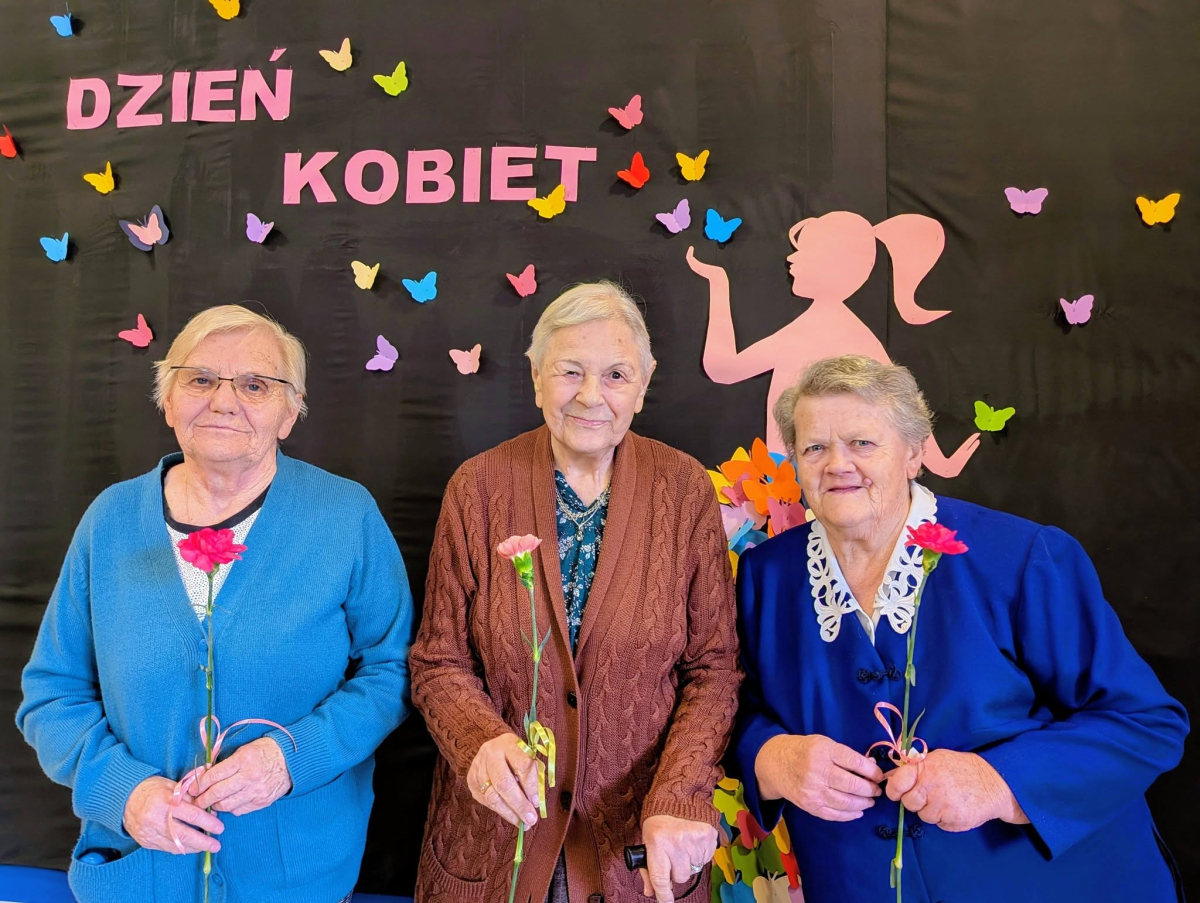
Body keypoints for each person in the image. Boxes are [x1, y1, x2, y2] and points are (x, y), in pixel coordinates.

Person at [730, 354, 1187, 902]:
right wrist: (772, 758)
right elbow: (734, 709)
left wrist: (999, 782)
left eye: (862, 443)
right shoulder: (764, 576)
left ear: (914, 453)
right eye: (814, 448)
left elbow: (1144, 722)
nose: (837, 465)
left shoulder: (1022, 556)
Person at [18, 305, 414, 903]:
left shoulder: (345, 516)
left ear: (291, 412)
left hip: (295, 877)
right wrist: (125, 793)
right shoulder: (111, 521)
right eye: (200, 379)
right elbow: (53, 694)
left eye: (255, 385)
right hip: (140, 875)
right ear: (168, 400)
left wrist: (290, 760)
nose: (224, 401)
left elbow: (394, 670)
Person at [410, 281, 742, 903]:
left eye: (616, 374)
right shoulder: (478, 488)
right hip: (494, 846)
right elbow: (438, 660)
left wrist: (680, 792)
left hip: (636, 853)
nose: (591, 395)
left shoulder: (684, 490)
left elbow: (714, 669)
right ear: (537, 377)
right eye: (569, 371)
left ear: (643, 385)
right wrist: (479, 741)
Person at [685, 211, 980, 476]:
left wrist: (719, 283)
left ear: (834, 264)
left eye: (804, 252)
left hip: (811, 478)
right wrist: (718, 283)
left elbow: (904, 405)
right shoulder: (820, 329)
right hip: (786, 480)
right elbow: (723, 370)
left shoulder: (836, 332)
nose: (790, 259)